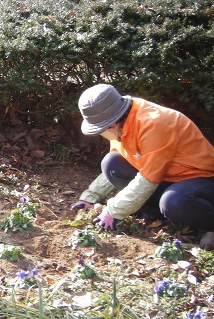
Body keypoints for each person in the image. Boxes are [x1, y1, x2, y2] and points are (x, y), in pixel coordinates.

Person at [72, 84, 214, 245]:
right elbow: (121, 161)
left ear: (111, 125)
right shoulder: (122, 122)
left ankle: (209, 224)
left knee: (173, 202)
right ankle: (156, 214)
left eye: (101, 130)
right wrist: (91, 196)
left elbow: (148, 178)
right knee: (111, 164)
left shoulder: (153, 124)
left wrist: (113, 211)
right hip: (167, 176)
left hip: (201, 177)